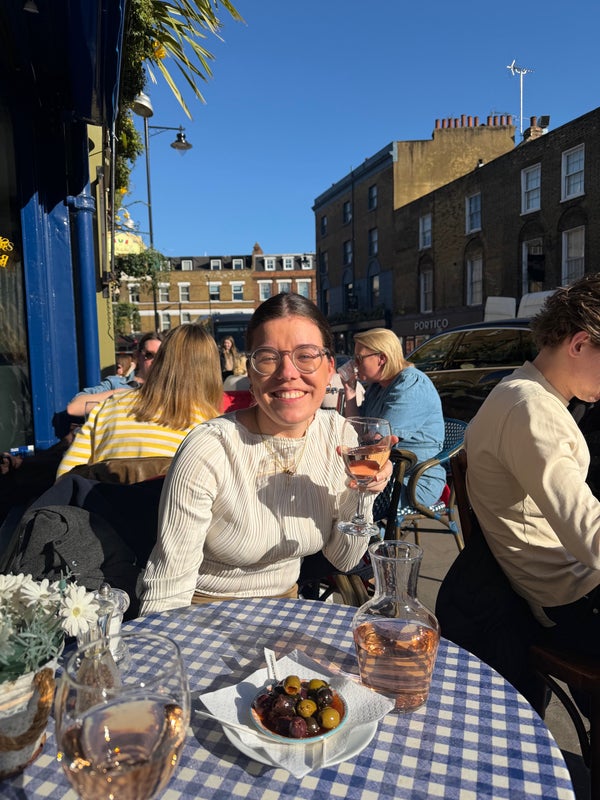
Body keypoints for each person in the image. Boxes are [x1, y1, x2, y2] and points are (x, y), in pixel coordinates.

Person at [140, 293, 394, 614]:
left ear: (329, 367)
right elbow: (167, 589)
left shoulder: (340, 434)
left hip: (285, 609)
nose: (287, 372)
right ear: (251, 371)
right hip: (204, 613)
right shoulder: (210, 447)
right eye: (268, 357)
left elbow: (344, 559)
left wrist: (362, 493)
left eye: (306, 355)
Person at [464, 273, 600, 657]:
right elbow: (592, 539)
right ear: (579, 344)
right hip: (572, 600)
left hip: (556, 587)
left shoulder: (517, 392)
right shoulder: (533, 409)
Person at [57, 325, 222, 479]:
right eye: (148, 355)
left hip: (103, 500)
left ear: (162, 360)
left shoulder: (110, 406)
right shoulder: (213, 427)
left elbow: (66, 477)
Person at [341, 328, 445, 507]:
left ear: (382, 358)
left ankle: (363, 526)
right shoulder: (377, 386)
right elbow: (355, 429)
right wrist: (350, 390)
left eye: (359, 358)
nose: (354, 364)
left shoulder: (411, 384)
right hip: (383, 472)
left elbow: (377, 442)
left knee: (340, 498)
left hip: (412, 481)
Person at [65, 332, 163, 418]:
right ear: (137, 355)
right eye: (149, 355)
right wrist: (119, 394)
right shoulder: (117, 384)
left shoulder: (168, 388)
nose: (155, 361)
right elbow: (74, 408)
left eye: (160, 356)